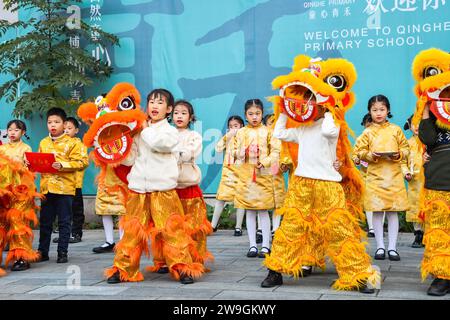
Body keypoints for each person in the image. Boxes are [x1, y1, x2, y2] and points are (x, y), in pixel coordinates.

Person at [262, 104, 378, 293]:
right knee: (290, 227)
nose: (309, 107)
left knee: (341, 230)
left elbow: (328, 131)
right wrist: (283, 110)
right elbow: (280, 133)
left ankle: (358, 276)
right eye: (307, 104)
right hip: (302, 184)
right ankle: (275, 271)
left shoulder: (331, 125)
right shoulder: (302, 128)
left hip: (329, 184)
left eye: (314, 104)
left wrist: (328, 109)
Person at [105, 89, 204, 284]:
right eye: (151, 102)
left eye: (160, 103)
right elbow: (130, 158)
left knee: (171, 230)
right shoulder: (139, 131)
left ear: (168, 110)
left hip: (163, 190)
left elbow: (161, 145)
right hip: (138, 189)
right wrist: (111, 147)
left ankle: (182, 267)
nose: (154, 106)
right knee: (132, 232)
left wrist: (141, 127)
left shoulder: (170, 131)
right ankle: (123, 269)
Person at [353, 95, 410, 262]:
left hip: (393, 177)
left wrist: (398, 154)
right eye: (375, 110)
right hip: (375, 178)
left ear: (388, 110)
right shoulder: (367, 132)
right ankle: (380, 246)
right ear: (369, 112)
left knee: (393, 213)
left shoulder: (396, 130)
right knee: (377, 212)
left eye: (382, 109)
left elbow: (406, 149)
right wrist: (370, 155)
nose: (378, 113)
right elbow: (357, 153)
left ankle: (392, 248)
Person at [36, 108, 89, 263]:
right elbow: (40, 161)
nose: (53, 125)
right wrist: (30, 163)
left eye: (57, 122)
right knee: (45, 222)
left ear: (64, 124)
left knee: (64, 221)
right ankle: (42, 252)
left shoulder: (73, 143)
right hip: (46, 187)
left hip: (65, 188)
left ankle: (62, 253)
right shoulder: (43, 142)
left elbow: (82, 162)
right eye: (50, 122)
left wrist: (63, 165)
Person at [234, 99, 280, 258]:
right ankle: (252, 245)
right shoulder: (241, 132)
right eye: (251, 114)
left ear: (262, 114)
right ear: (245, 115)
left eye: (258, 113)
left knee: (263, 210)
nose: (254, 117)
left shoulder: (268, 131)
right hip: (247, 177)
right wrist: (242, 153)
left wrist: (265, 161)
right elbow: (234, 152)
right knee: (250, 210)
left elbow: (276, 151)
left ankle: (266, 245)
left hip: (264, 176)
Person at [172, 100, 214, 268]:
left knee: (194, 226)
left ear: (190, 117)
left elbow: (188, 154)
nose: (179, 116)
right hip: (170, 187)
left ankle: (196, 258)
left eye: (183, 113)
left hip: (189, 188)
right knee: (170, 227)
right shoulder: (167, 134)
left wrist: (169, 151)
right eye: (176, 112)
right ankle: (167, 260)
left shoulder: (194, 136)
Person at [0, 120, 39, 272]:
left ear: (23, 132)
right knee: (2, 224)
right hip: (5, 192)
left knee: (18, 223)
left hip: (21, 191)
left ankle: (22, 257)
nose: (12, 133)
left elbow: (29, 169)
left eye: (16, 130)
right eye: (10, 130)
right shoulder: (2, 149)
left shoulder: (26, 148)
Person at [52, 117, 87, 244]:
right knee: (63, 211)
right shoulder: (57, 143)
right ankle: (64, 234)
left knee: (76, 210)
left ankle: (76, 233)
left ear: (76, 130)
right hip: (61, 184)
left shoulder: (79, 144)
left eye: (69, 128)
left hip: (74, 183)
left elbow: (82, 163)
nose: (66, 130)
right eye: (64, 128)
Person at [210, 115, 245, 236]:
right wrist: (227, 137)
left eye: (236, 126)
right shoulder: (228, 138)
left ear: (242, 126)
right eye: (230, 126)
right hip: (228, 174)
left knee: (240, 200)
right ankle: (212, 225)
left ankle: (238, 227)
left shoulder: (246, 136)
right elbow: (218, 148)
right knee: (220, 199)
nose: (233, 128)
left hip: (242, 173)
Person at [403, 116, 425, 248]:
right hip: (414, 181)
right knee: (415, 205)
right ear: (409, 126)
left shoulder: (430, 142)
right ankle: (418, 234)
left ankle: (429, 234)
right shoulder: (407, 143)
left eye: (420, 123)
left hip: (429, 179)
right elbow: (402, 162)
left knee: (428, 205)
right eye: (414, 124)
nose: (416, 126)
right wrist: (405, 172)